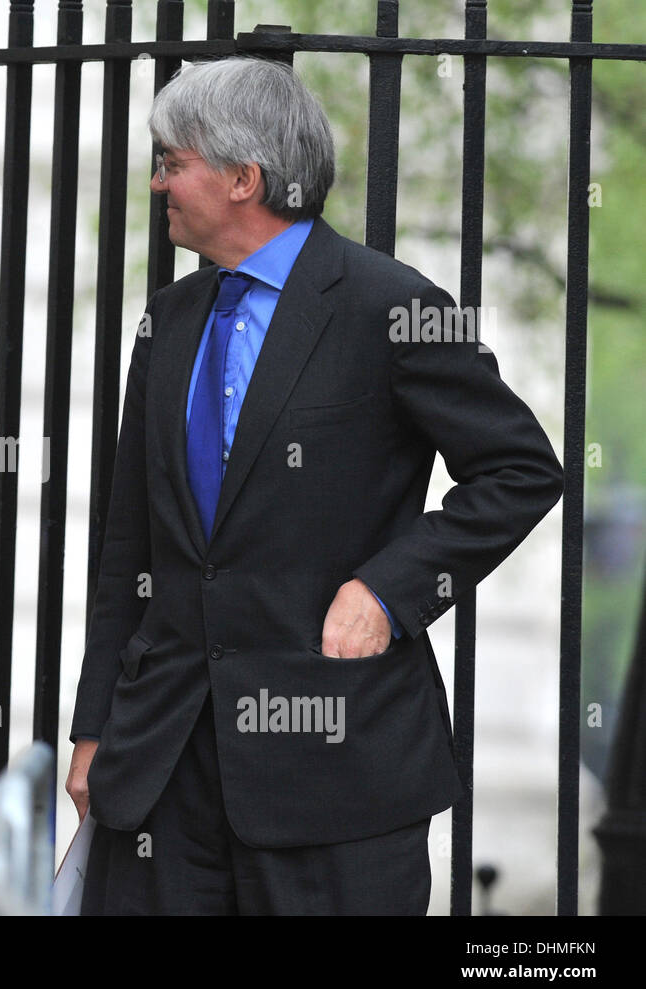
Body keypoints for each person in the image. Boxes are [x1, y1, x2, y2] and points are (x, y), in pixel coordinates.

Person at [65, 58, 564, 915]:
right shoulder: (169, 323)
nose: (156, 185)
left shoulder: (392, 306)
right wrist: (94, 727)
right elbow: (129, 545)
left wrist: (388, 591)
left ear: (242, 178)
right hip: (163, 772)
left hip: (337, 780)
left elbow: (521, 470)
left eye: (171, 162)